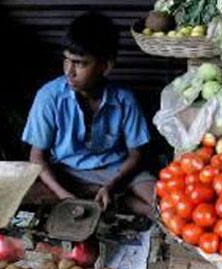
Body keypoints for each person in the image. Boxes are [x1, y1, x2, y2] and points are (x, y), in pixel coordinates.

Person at [22, 12, 156, 217]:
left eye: (80, 63)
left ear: (106, 66)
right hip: (68, 171)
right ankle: (110, 200)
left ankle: (109, 197)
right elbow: (37, 157)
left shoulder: (124, 99)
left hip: (116, 171)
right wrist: (63, 195)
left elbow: (135, 155)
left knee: (163, 203)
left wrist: (111, 185)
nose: (69, 71)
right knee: (25, 197)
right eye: (66, 60)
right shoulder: (49, 96)